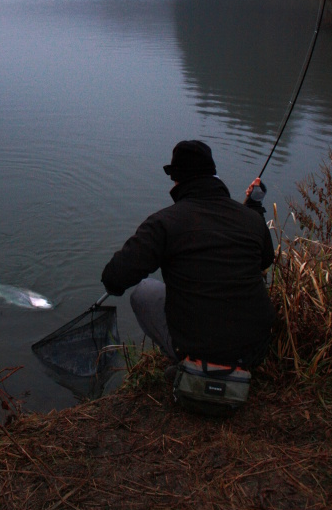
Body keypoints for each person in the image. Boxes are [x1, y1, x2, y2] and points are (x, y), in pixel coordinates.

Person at [101, 140, 276, 368]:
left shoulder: (163, 223)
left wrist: (113, 285)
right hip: (255, 351)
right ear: (213, 175)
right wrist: (253, 206)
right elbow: (265, 260)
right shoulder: (251, 219)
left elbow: (114, 278)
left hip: (198, 350)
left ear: (178, 180)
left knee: (143, 291)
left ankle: (186, 364)